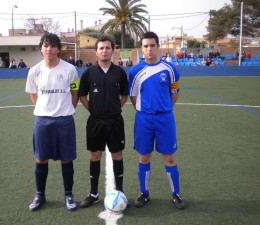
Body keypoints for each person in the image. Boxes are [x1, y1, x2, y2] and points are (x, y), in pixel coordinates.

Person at [128, 31, 185, 210]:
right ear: (141, 49)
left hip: (165, 118)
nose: (149, 49)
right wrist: (143, 110)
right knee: (144, 156)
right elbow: (133, 96)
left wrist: (165, 108)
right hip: (144, 119)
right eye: (146, 46)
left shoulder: (170, 69)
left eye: (152, 45)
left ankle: (176, 194)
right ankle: (144, 193)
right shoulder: (135, 71)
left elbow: (174, 93)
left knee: (169, 157)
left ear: (158, 47)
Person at [25, 33, 79, 212]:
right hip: (42, 121)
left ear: (58, 49)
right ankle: (40, 194)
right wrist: (44, 110)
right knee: (41, 158)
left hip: (64, 121)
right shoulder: (34, 71)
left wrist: (65, 110)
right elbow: (34, 95)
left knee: (66, 158)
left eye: (53, 46)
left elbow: (75, 92)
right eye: (46, 46)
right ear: (41, 49)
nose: (49, 49)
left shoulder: (70, 70)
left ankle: (68, 194)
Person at [78, 34, 129, 208]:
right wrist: (92, 110)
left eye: (108, 48)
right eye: (101, 48)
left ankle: (120, 192)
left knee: (117, 155)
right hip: (95, 122)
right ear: (96, 52)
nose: (104, 51)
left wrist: (116, 108)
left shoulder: (120, 72)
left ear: (112, 51)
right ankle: (93, 193)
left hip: (115, 121)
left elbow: (124, 95)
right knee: (95, 156)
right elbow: (82, 95)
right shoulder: (88, 73)